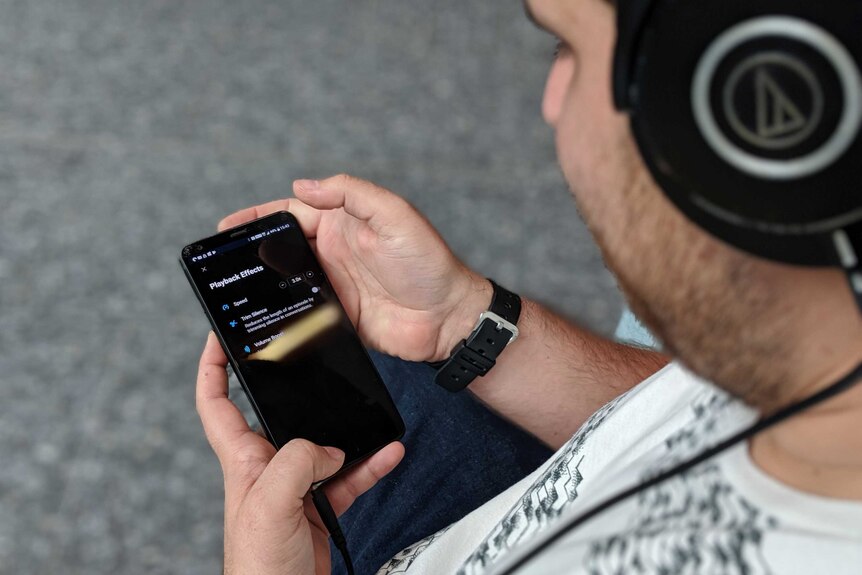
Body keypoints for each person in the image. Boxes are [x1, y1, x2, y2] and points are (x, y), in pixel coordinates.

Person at [194, 0, 862, 573]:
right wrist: (461, 320)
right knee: (381, 367)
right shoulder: (817, 354)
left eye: (566, 46)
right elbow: (673, 411)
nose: (547, 103)